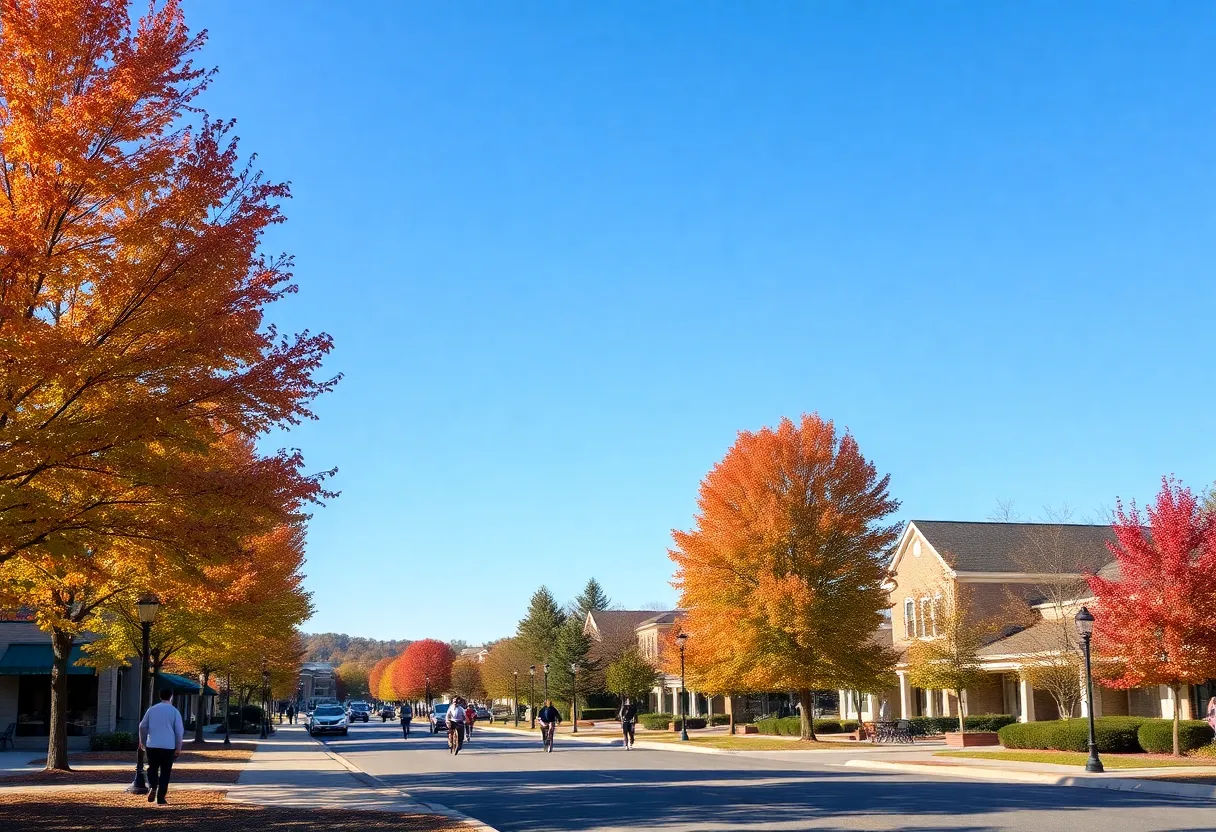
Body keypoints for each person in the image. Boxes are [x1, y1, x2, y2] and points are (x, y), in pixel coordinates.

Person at [138, 687, 184, 806]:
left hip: (152, 744)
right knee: (165, 771)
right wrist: (179, 747)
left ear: (160, 696)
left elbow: (142, 726)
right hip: (168, 746)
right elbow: (179, 731)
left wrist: (142, 741)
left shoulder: (152, 710)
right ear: (171, 696)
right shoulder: (174, 711)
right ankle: (161, 797)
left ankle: (153, 786)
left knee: (152, 768)